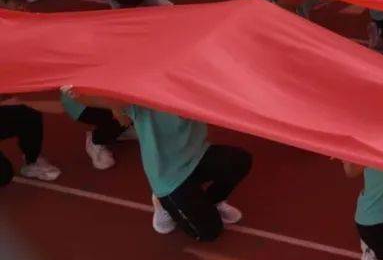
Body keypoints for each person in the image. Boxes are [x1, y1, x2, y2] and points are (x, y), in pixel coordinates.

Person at [62, 90, 251, 241]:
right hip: (170, 178)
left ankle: (211, 202)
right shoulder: (143, 96)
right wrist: (114, 107)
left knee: (239, 161)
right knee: (209, 233)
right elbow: (87, 97)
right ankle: (164, 204)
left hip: (197, 154)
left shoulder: (194, 84)